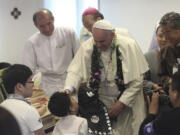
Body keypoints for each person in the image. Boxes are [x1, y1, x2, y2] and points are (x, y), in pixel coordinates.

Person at [64, 20, 149, 135]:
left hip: (128, 101)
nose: (98, 45)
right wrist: (68, 88)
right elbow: (75, 71)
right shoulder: (88, 46)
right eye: (96, 41)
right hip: (101, 102)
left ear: (112, 35)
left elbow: (137, 81)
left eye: (102, 41)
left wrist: (121, 103)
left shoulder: (128, 45)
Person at [21, 9, 80, 96]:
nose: (47, 29)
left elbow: (79, 58)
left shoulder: (68, 32)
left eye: (49, 24)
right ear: (36, 25)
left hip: (69, 80)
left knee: (72, 108)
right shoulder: (32, 42)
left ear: (53, 19)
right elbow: (28, 69)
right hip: (47, 85)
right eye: (42, 26)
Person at [1, 64, 46, 135]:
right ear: (19, 86)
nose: (33, 84)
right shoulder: (29, 110)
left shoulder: (3, 107)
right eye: (30, 81)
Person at [139, 71, 180, 135]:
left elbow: (143, 132)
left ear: (175, 94)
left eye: (170, 88)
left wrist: (151, 113)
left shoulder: (168, 119)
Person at [158, 12, 180, 77]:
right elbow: (162, 75)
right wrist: (170, 82)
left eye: (167, 32)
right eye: (163, 32)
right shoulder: (165, 50)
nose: (165, 36)